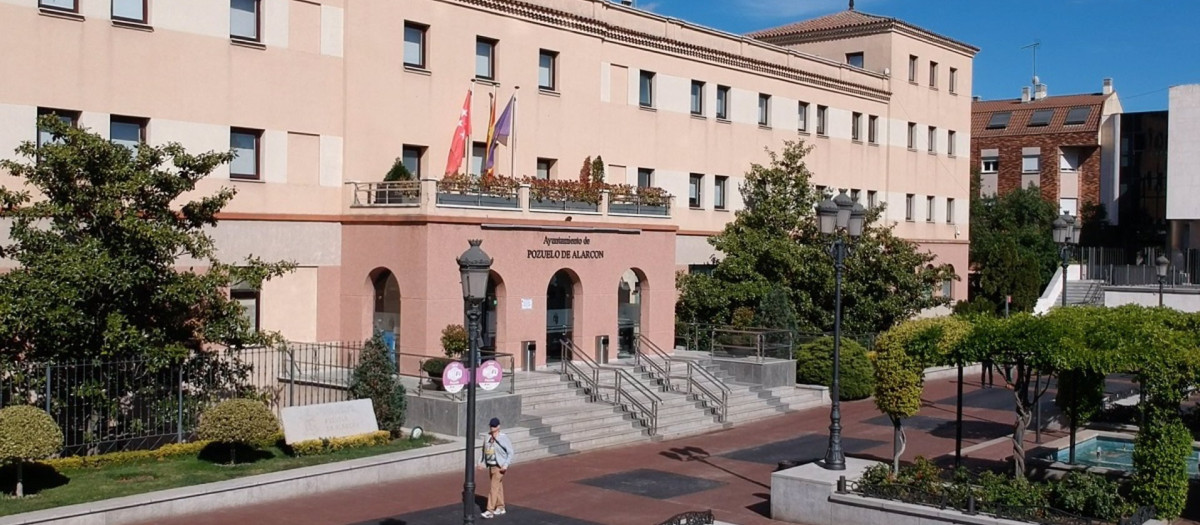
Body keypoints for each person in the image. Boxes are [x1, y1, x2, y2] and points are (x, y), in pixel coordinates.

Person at [480, 417, 514, 519]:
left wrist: (505, 465)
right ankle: (500, 507)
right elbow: (483, 451)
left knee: (493, 487)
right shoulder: (487, 437)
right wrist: (481, 462)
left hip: (500, 467)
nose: (492, 427)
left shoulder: (503, 438)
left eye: (494, 426)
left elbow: (510, 452)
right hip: (491, 465)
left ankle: (489, 510)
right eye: (491, 426)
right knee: (498, 487)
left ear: (499, 426)